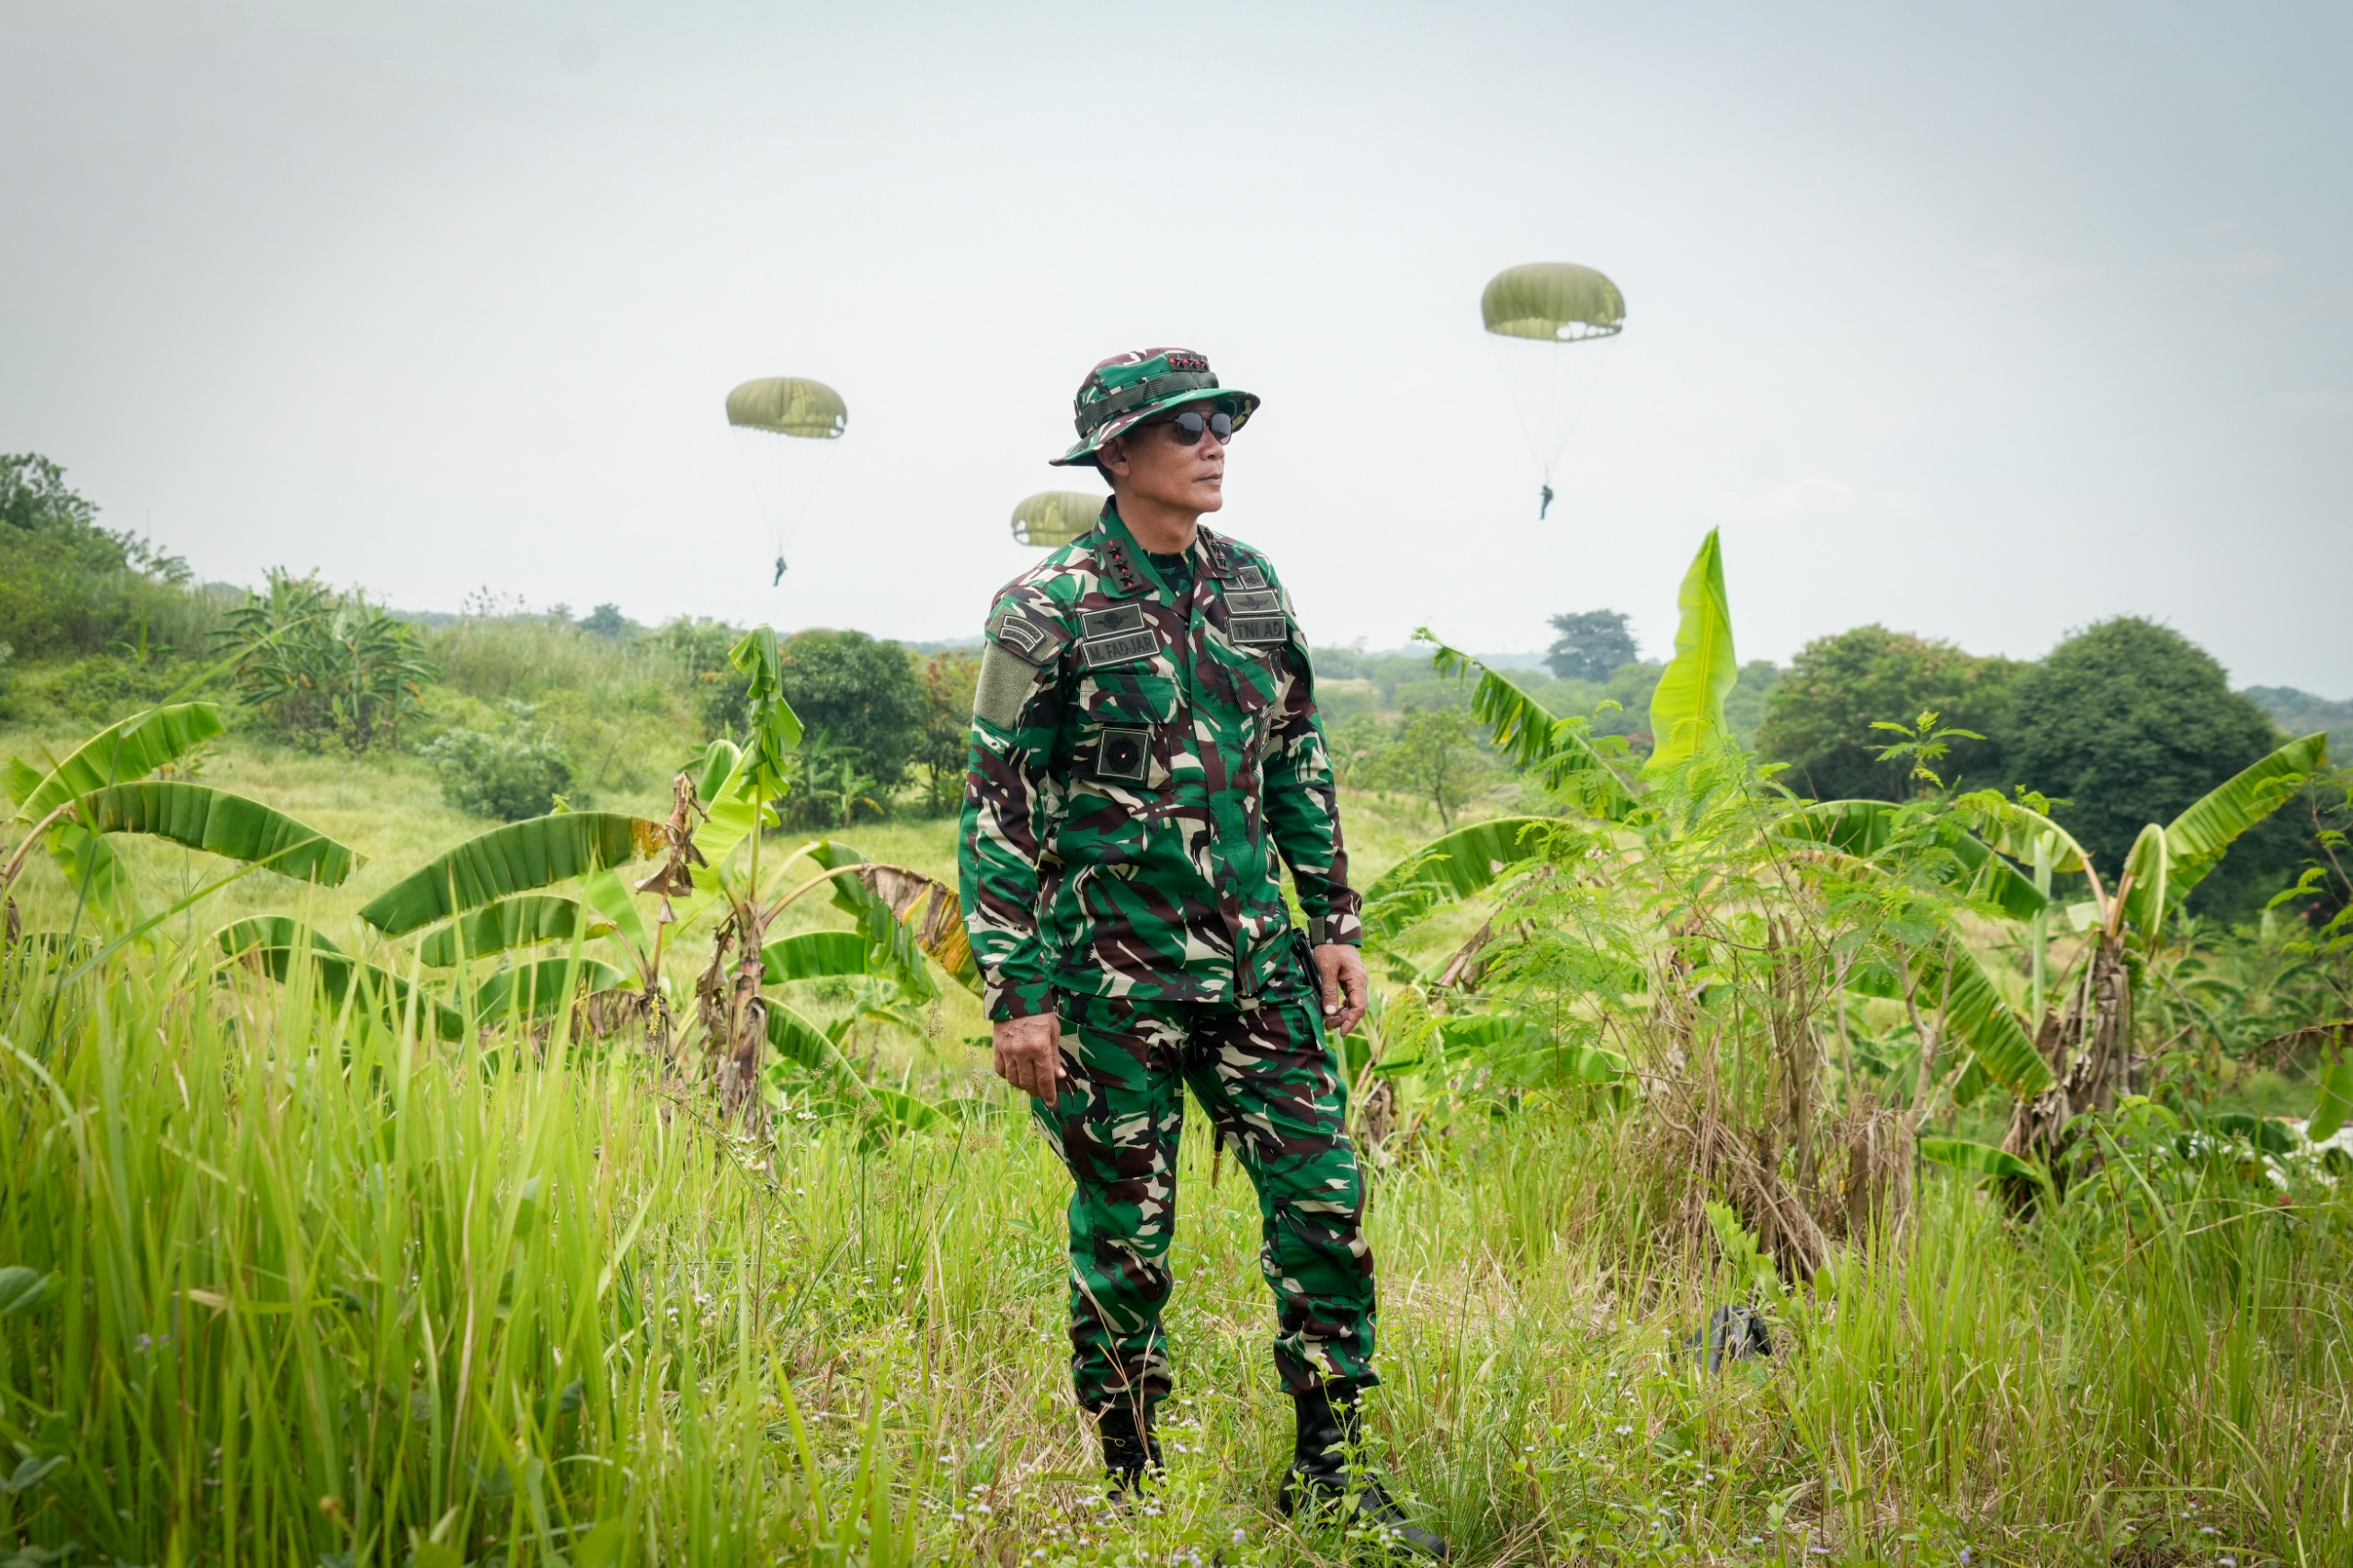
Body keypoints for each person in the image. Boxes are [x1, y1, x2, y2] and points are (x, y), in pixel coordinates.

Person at [958, 347, 1446, 1557]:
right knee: (1126, 1242)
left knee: (1327, 1206)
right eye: (1186, 427)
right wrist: (1018, 996)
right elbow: (997, 807)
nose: (1215, 441)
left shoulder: (1253, 587)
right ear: (1118, 455)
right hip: (1108, 984)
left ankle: (1331, 1471)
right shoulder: (1044, 608)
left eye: (1223, 421)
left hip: (1257, 970)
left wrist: (1332, 923)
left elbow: (1298, 759)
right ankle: (1131, 1486)